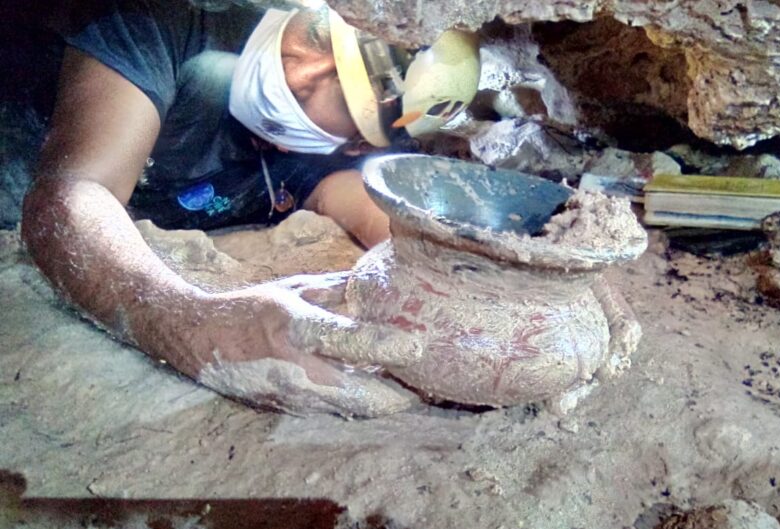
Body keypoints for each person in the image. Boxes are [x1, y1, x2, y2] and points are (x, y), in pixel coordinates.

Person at [21, 0, 480, 416]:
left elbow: (397, 226)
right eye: (317, 37)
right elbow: (73, 191)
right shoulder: (174, 23)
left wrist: (476, 310)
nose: (300, 74)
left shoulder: (316, 161)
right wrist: (197, 323)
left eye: (342, 94)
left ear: (357, 145)